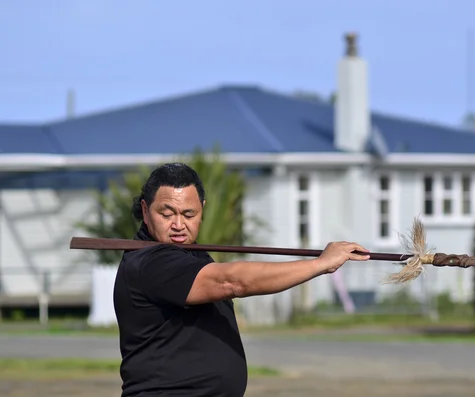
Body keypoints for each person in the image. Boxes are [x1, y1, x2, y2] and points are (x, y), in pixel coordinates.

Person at [112, 162, 370, 396]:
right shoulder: (152, 262)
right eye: (167, 214)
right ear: (145, 210)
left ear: (202, 209)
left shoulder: (189, 254)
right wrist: (321, 264)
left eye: (188, 214)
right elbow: (232, 282)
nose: (179, 224)